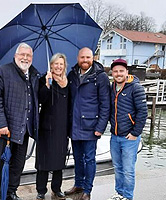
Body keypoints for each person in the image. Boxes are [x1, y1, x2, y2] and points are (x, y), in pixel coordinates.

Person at [0, 42, 40, 200]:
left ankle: (11, 192)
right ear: (15, 56)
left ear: (32, 57)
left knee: (18, 164)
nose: (25, 58)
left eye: (28, 55)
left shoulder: (35, 75)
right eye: (22, 54)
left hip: (24, 129)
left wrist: (48, 84)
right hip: (3, 129)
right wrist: (2, 124)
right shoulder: (2, 71)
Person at [65, 47, 110, 200]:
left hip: (91, 126)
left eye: (88, 57)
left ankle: (87, 190)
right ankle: (78, 184)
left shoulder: (100, 77)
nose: (85, 60)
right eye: (82, 57)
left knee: (89, 158)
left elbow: (105, 104)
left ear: (93, 58)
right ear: (78, 58)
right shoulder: (72, 75)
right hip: (74, 125)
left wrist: (100, 127)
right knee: (77, 157)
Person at [107, 59, 148, 200]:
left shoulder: (135, 88)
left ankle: (128, 197)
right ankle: (119, 194)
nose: (118, 74)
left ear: (126, 72)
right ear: (112, 73)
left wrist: (135, 133)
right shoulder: (111, 87)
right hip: (115, 136)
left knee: (128, 170)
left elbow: (143, 112)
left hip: (129, 137)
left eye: (121, 71)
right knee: (117, 168)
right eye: (116, 71)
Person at [35, 53, 69, 200]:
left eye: (61, 64)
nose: (58, 66)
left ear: (64, 66)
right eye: (56, 64)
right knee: (43, 160)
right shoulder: (44, 79)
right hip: (46, 126)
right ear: (51, 65)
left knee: (59, 160)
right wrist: (47, 85)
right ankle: (41, 190)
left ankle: (57, 188)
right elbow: (40, 99)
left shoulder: (68, 83)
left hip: (62, 126)